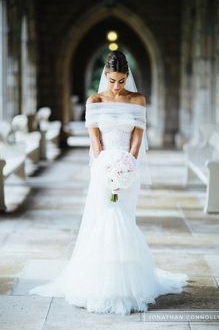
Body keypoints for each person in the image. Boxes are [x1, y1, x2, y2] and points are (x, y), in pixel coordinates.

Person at [29, 50, 189, 315]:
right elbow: (96, 142)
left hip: (128, 167)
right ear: (105, 76)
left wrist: (128, 166)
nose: (117, 86)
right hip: (103, 169)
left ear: (128, 77)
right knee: (103, 219)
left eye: (122, 81)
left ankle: (129, 281)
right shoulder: (95, 101)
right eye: (112, 80)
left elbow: (138, 137)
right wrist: (107, 168)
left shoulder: (138, 100)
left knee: (124, 219)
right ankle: (99, 282)